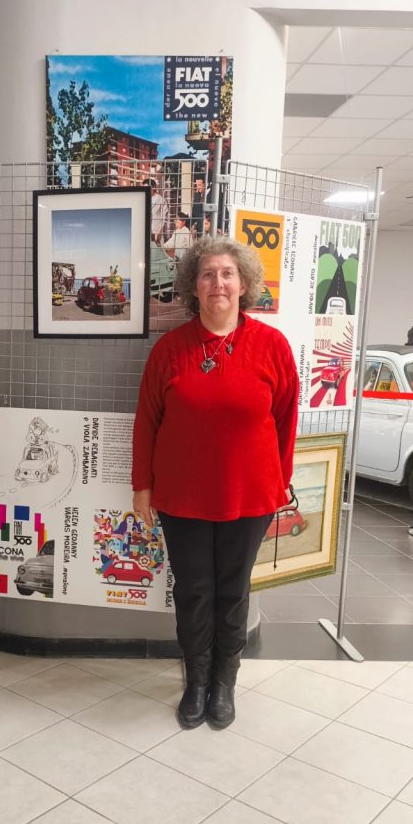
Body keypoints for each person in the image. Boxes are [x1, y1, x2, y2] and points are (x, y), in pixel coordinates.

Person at [132, 237, 298, 730]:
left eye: (227, 274)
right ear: (193, 286)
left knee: (233, 590)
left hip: (250, 495)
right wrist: (142, 484)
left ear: (243, 284)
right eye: (208, 275)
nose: (218, 283)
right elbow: (147, 420)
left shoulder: (272, 346)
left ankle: (225, 680)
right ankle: (197, 679)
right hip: (182, 497)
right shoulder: (170, 348)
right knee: (194, 590)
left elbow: (287, 418)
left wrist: (280, 481)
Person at [148, 180, 169, 244]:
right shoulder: (144, 198)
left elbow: (164, 217)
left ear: (153, 187)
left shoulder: (161, 200)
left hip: (156, 232)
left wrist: (158, 231)